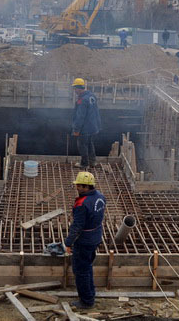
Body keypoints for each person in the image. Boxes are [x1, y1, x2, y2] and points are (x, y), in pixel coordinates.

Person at [64, 171, 106, 310]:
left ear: (86, 187)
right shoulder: (100, 196)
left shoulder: (82, 203)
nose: (77, 188)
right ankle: (90, 294)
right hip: (96, 236)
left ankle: (86, 301)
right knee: (88, 267)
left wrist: (68, 243)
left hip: (84, 241)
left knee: (81, 271)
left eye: (79, 186)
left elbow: (77, 226)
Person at [71, 78, 101, 168]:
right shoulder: (92, 96)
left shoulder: (82, 100)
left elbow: (80, 116)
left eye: (75, 89)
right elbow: (96, 112)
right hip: (93, 127)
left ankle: (84, 164)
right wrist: (98, 126)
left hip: (85, 128)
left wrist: (76, 129)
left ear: (79, 88)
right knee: (90, 144)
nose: (75, 91)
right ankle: (92, 162)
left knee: (82, 145)